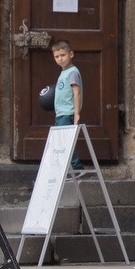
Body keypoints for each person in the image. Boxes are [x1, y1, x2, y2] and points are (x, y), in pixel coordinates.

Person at [51, 40, 85, 172]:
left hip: (68, 113)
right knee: (60, 141)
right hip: (61, 113)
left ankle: (76, 167)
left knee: (65, 142)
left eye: (63, 55)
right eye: (56, 56)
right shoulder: (64, 72)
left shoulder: (72, 72)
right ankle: (67, 169)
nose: (60, 59)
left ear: (71, 54)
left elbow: (77, 93)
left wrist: (76, 113)